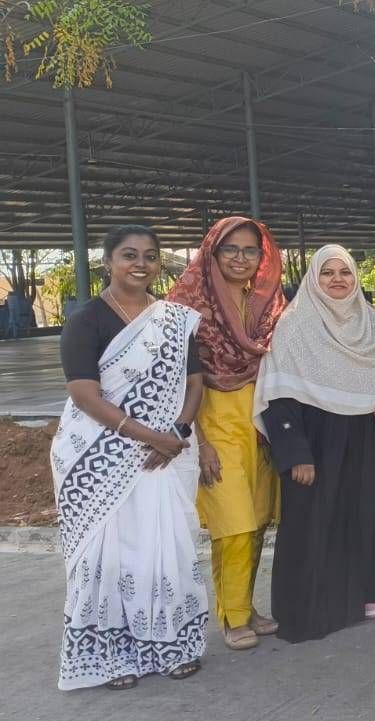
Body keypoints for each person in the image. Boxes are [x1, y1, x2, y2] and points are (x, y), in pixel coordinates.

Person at [53, 225, 206, 690]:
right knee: (110, 556)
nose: (141, 263)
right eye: (129, 255)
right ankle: (110, 657)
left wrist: (177, 431)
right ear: (108, 262)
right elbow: (84, 394)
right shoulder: (86, 321)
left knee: (164, 550)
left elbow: (194, 382)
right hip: (99, 454)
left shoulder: (175, 320)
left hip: (164, 453)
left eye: (150, 256)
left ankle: (170, 645)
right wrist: (148, 436)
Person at [253, 245, 375, 641]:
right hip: (317, 441)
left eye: (345, 272)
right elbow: (279, 395)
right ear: (313, 279)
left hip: (367, 436)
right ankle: (313, 609)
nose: (337, 280)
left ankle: (361, 595)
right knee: (316, 521)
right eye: (327, 273)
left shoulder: (373, 322)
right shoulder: (295, 325)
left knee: (363, 514)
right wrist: (296, 454)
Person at [168, 216, 286, 651]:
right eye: (230, 249)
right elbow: (176, 382)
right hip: (214, 428)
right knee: (233, 526)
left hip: (261, 427)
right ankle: (232, 616)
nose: (240, 258)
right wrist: (200, 443)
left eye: (250, 250)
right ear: (212, 253)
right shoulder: (186, 307)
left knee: (256, 525)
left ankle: (245, 606)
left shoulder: (269, 305)